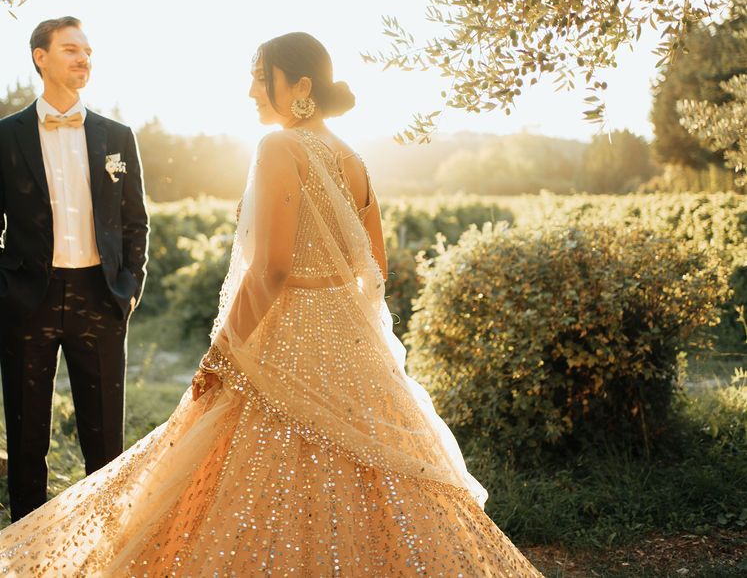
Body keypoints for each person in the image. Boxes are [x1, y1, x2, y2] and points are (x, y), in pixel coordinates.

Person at [0, 32, 542, 576]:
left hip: (282, 333)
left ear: (299, 85)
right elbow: (374, 266)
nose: (252, 90)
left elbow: (273, 269)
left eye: (261, 77)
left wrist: (224, 348)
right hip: (349, 339)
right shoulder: (353, 158)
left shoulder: (280, 147)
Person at [0, 17, 148, 522]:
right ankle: (22, 545)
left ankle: (106, 537)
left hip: (99, 295)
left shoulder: (117, 136)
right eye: (70, 49)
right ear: (40, 56)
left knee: (105, 435)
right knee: (26, 437)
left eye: (87, 50)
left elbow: (135, 222)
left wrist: (128, 288)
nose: (83, 58)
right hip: (26, 299)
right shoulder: (5, 137)